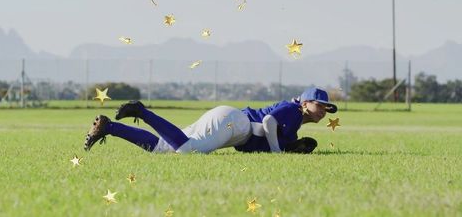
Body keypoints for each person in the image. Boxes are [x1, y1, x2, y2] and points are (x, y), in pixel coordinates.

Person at [83, 87, 337, 154]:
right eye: (319, 105)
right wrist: (277, 151)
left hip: (230, 122)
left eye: (327, 109)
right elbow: (269, 121)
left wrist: (285, 146)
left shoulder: (294, 122)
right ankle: (142, 111)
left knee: (164, 148)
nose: (323, 111)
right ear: (305, 102)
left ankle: (110, 127)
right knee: (188, 151)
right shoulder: (292, 111)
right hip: (234, 122)